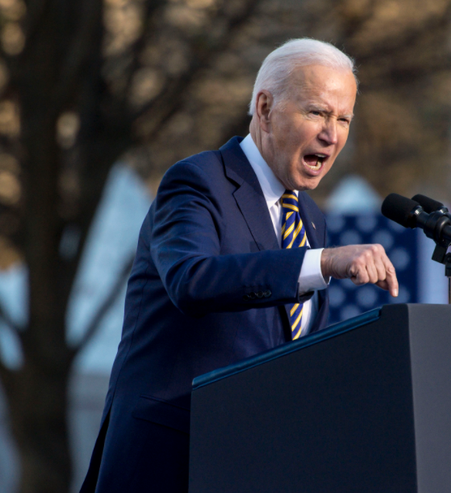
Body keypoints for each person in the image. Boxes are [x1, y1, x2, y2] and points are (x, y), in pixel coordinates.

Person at [80, 38, 398, 493]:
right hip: (169, 462)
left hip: (252, 464)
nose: (332, 134)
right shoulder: (196, 182)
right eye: (317, 113)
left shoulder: (311, 220)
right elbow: (193, 280)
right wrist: (323, 262)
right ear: (265, 109)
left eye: (343, 118)